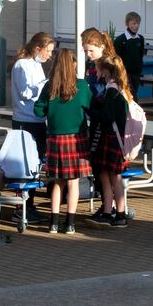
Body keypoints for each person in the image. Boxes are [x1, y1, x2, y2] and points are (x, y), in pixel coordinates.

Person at [34, 48, 93, 235]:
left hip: (55, 138)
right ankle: (70, 224)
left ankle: (53, 223)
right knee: (73, 182)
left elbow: (38, 111)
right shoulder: (82, 86)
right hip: (76, 138)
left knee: (57, 182)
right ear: (72, 65)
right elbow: (91, 106)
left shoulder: (50, 86)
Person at [10, 32, 54, 224]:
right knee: (24, 165)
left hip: (37, 119)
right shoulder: (22, 65)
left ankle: (30, 204)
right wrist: (44, 86)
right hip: (24, 119)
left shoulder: (36, 65)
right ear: (38, 48)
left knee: (35, 165)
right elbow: (26, 91)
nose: (49, 56)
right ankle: (21, 208)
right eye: (48, 51)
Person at [87, 55, 133, 228]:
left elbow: (106, 117)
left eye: (100, 69)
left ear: (107, 70)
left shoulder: (111, 90)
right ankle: (119, 214)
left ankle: (109, 212)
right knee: (115, 176)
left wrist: (91, 112)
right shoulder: (122, 89)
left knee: (107, 176)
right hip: (118, 137)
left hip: (109, 137)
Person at [80, 27, 116, 221]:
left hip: (104, 121)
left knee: (105, 167)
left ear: (101, 47)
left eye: (90, 50)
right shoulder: (92, 65)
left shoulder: (107, 66)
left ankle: (110, 207)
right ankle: (107, 205)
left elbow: (106, 94)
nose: (88, 54)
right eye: (86, 51)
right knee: (99, 167)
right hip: (95, 117)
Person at [113, 12, 145, 98]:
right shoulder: (120, 40)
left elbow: (140, 55)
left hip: (136, 74)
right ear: (127, 24)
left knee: (134, 93)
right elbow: (116, 58)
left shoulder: (140, 39)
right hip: (125, 74)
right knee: (130, 95)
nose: (136, 26)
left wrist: (139, 69)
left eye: (138, 23)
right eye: (133, 23)